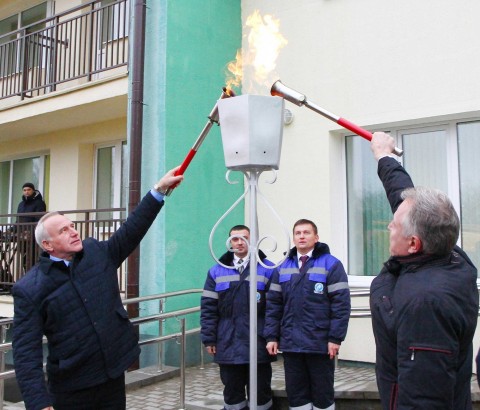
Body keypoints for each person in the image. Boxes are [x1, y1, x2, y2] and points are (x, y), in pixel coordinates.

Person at [12, 167, 184, 410]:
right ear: (48, 245)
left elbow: (131, 231)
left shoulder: (95, 253)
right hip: (71, 388)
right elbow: (25, 351)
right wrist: (39, 402)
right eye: (64, 231)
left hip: (112, 377)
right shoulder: (30, 289)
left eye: (72, 226)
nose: (73, 232)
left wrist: (159, 190)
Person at [369, 132, 479, 410]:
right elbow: (402, 198)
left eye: (394, 225)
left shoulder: (426, 303)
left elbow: (424, 398)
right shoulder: (445, 252)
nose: (389, 226)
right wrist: (384, 157)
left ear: (413, 243)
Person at [264, 219, 351, 410]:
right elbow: (273, 305)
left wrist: (335, 338)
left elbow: (341, 305)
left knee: (322, 393)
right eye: (298, 233)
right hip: (291, 342)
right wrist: (271, 336)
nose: (302, 236)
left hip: (319, 342)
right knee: (296, 394)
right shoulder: (282, 266)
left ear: (316, 237)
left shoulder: (332, 264)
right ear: (293, 238)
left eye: (306, 232)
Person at [201, 225, 275, 410]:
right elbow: (209, 309)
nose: (240, 242)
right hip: (228, 343)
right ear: (229, 242)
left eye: (244, 238)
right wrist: (209, 338)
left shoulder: (268, 269)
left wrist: (272, 337)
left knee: (261, 393)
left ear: (252, 241)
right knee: (233, 394)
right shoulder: (216, 271)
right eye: (235, 238)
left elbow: (275, 308)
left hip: (258, 343)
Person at [16, 182, 47, 270]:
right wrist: (12, 230)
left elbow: (39, 220)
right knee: (25, 260)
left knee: (32, 259)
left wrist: (31, 231)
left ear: (33, 190)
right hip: (22, 237)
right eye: (24, 190)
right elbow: (18, 220)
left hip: (33, 237)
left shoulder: (39, 203)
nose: (26, 192)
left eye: (29, 190)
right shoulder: (21, 204)